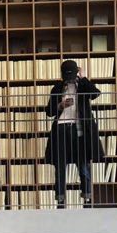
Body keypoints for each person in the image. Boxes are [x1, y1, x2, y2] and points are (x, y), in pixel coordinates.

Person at [44, 60, 104, 208]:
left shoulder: (82, 85)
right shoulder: (57, 88)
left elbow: (95, 93)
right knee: (60, 166)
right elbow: (49, 111)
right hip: (61, 129)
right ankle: (60, 200)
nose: (69, 79)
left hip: (79, 130)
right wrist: (60, 105)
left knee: (83, 164)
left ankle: (87, 198)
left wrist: (83, 77)